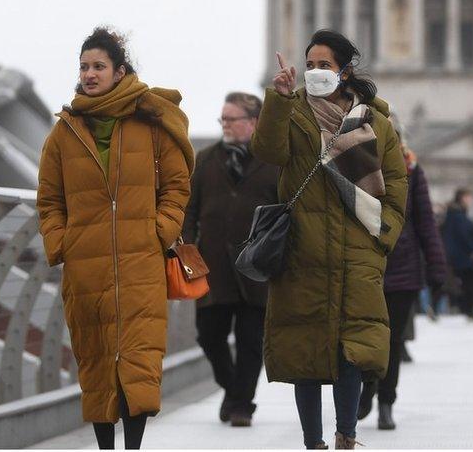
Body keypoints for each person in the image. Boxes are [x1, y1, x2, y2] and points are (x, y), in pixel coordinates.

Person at [36, 27, 194, 449]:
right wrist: (61, 243)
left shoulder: (151, 123)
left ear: (119, 71)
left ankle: (133, 446)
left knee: (139, 360)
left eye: (98, 67)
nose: (90, 74)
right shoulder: (64, 133)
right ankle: (106, 446)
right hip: (86, 268)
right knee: (96, 363)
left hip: (141, 261)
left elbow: (177, 186)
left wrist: (159, 231)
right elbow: (49, 199)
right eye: (84, 67)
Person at [251, 29, 408, 450]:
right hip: (303, 250)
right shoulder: (294, 112)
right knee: (306, 352)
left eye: (325, 65)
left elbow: (394, 184)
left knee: (351, 352)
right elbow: (267, 151)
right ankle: (312, 442)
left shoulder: (373, 120)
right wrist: (280, 99)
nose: (316, 72)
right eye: (311, 65)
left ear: (344, 70)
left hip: (356, 251)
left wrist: (382, 236)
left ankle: (346, 435)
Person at [182, 92, 279, 427]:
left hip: (257, 269)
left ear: (253, 123)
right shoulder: (205, 160)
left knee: (252, 342)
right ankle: (234, 389)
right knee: (209, 335)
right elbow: (189, 212)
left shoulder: (274, 163)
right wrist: (187, 256)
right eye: (222, 119)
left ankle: (241, 407)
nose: (224, 125)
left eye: (231, 119)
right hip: (213, 268)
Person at [357, 123, 448, 430]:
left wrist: (437, 269)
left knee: (392, 341)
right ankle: (369, 384)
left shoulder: (412, 171)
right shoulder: (353, 165)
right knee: (365, 335)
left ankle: (386, 402)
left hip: (402, 267)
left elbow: (426, 223)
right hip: (364, 263)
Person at [442, 189, 473, 320]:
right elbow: (465, 236)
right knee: (470, 284)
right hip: (464, 256)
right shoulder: (459, 215)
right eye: (469, 197)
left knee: (464, 284)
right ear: (462, 198)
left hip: (458, 255)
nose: (471, 200)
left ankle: (467, 309)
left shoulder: (453, 214)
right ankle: (470, 310)